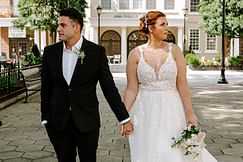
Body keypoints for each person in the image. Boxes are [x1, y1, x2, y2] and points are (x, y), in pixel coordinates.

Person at [40, 8, 133, 162]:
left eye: (63, 25)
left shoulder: (96, 52)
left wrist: (124, 118)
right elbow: (46, 88)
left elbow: (109, 88)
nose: (58, 29)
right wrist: (45, 118)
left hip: (87, 122)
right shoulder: (50, 52)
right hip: (58, 123)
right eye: (59, 25)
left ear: (76, 27)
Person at [123, 11, 217, 162]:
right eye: (162, 24)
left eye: (167, 24)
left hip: (172, 108)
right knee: (148, 151)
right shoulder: (135, 54)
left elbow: (183, 85)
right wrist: (124, 117)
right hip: (144, 111)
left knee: (172, 150)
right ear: (151, 28)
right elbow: (131, 89)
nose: (167, 27)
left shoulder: (175, 51)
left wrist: (190, 113)